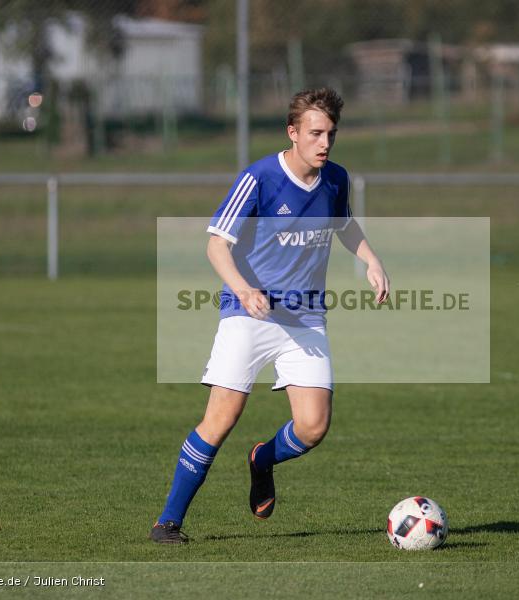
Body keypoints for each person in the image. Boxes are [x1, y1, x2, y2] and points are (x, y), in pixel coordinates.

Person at [150, 87, 389, 544]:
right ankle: (168, 522)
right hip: (248, 313)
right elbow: (216, 244)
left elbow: (344, 224)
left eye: (330, 134)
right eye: (315, 133)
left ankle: (262, 460)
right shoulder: (259, 178)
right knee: (222, 418)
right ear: (292, 132)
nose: (324, 143)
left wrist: (371, 259)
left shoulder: (336, 179)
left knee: (314, 426)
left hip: (306, 317)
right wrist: (244, 289)